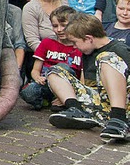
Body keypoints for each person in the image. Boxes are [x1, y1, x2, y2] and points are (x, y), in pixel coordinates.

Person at [47, 13, 130, 141]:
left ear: (88, 38)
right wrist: (70, 95)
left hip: (124, 107)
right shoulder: (87, 51)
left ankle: (119, 120)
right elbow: (87, 83)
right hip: (101, 103)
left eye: (75, 42)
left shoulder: (119, 49)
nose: (74, 46)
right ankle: (76, 110)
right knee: (55, 71)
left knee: (105, 58)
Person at [20, 6, 81, 110]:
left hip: (70, 86)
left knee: (61, 67)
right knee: (28, 92)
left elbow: (82, 77)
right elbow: (35, 70)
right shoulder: (46, 43)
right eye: (55, 26)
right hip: (46, 83)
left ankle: (65, 99)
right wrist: (37, 78)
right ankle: (49, 101)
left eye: (64, 26)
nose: (59, 30)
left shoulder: (80, 47)